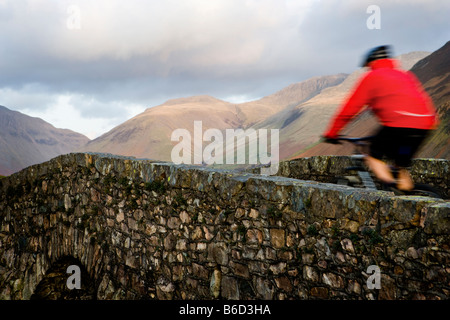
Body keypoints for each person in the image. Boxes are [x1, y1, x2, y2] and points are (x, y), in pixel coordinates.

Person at [322, 45, 439, 192]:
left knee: (372, 154)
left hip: (399, 124)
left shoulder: (372, 77)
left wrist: (332, 133)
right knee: (399, 165)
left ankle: (390, 193)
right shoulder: (404, 74)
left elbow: (349, 110)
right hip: (425, 124)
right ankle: (406, 193)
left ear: (371, 63)